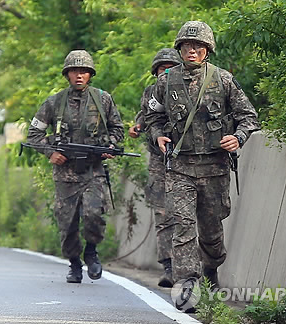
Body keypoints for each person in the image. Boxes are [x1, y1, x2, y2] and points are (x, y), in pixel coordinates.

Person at [145, 21, 260, 289]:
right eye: (187, 45)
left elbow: (249, 117)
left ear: (207, 50)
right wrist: (157, 134)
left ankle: (211, 267)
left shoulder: (223, 80)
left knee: (211, 232)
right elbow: (153, 117)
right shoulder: (165, 81)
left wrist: (238, 138)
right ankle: (187, 283)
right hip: (180, 167)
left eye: (198, 46)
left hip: (214, 167)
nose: (192, 51)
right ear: (180, 49)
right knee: (183, 226)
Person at [27, 50, 124, 283]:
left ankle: (91, 251)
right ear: (67, 74)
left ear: (90, 74)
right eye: (74, 71)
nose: (79, 75)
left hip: (94, 171)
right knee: (67, 222)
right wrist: (51, 152)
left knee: (93, 214)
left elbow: (117, 130)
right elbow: (34, 134)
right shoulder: (54, 102)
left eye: (83, 71)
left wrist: (109, 146)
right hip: (65, 174)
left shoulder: (103, 100)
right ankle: (74, 264)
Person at [129, 48, 182, 288]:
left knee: (186, 215)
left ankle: (190, 268)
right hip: (159, 161)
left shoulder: (189, 89)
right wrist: (137, 127)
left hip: (186, 160)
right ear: (155, 72)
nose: (166, 72)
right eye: (162, 69)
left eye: (171, 68)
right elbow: (145, 116)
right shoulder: (151, 93)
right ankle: (169, 266)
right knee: (162, 214)